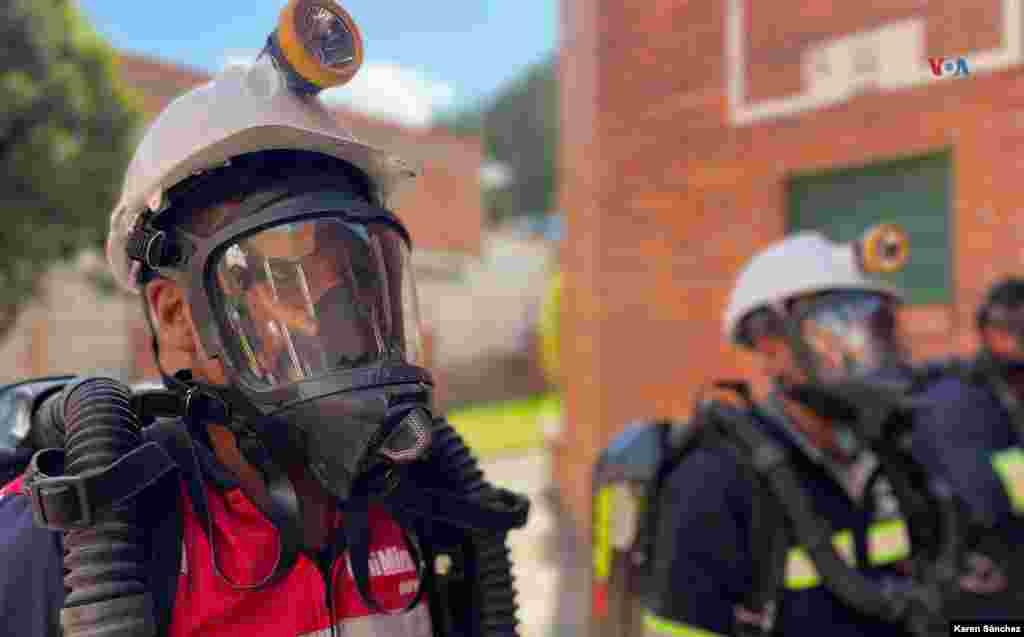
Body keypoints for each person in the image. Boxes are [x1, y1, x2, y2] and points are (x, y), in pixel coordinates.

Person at [0, 6, 526, 636]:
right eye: (290, 276)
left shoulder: (427, 508)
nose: (345, 319)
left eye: (361, 274)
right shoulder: (72, 543)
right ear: (179, 320)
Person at [642, 231, 940, 637]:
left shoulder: (893, 459)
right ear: (769, 347)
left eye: (876, 332)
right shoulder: (715, 482)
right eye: (834, 333)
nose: (863, 356)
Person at [910, 276, 1024, 619]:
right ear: (986, 332)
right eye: (1008, 326)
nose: (1014, 336)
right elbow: (991, 496)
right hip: (982, 586)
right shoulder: (961, 401)